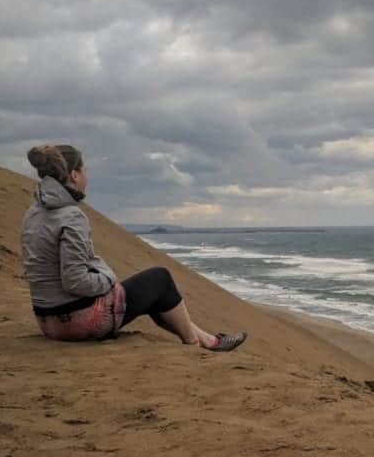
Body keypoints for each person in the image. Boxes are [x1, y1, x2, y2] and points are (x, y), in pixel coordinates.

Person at [20, 144, 247, 351]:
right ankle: (194, 345)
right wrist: (108, 280)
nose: (87, 177)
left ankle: (210, 341)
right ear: (74, 175)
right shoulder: (71, 216)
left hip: (47, 321)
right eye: (85, 170)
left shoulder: (33, 213)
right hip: (77, 321)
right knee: (160, 279)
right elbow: (75, 281)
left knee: (152, 294)